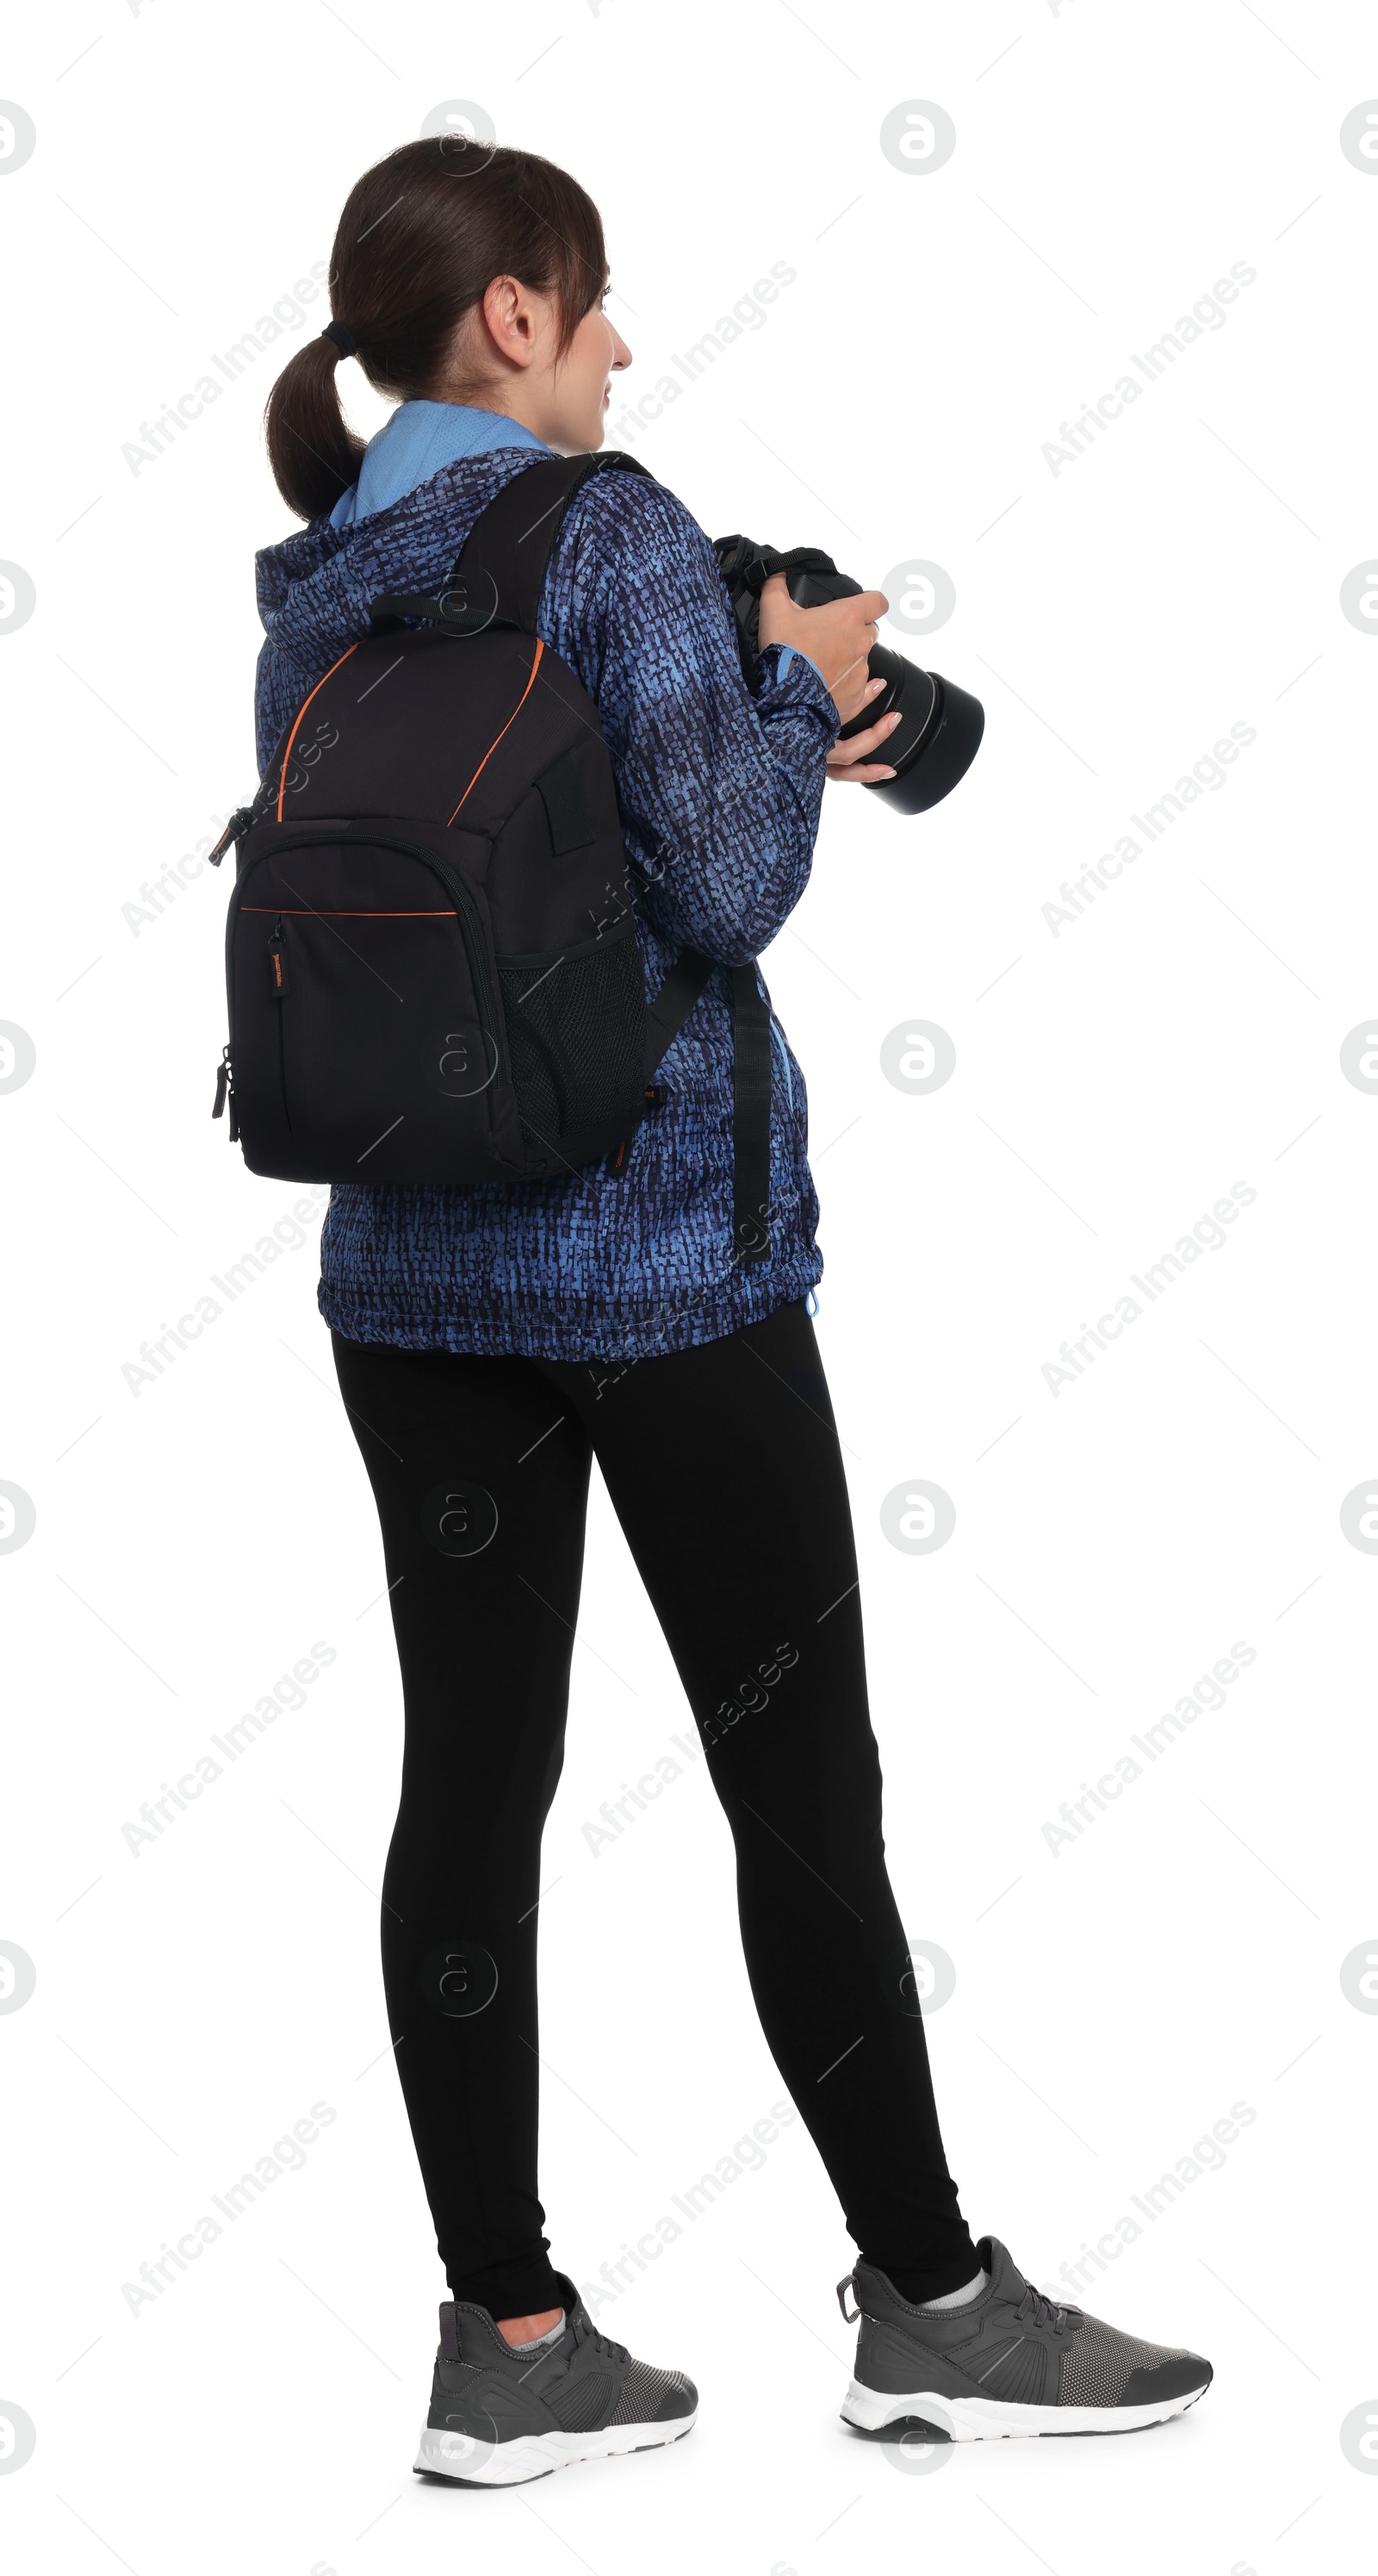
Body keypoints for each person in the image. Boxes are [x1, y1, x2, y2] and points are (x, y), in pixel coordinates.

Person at [253, 136, 1213, 2486]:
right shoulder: (618, 536)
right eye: (594, 307)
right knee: (799, 1785)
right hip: (665, 1268)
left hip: (408, 1271)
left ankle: (507, 2341)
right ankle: (935, 2306)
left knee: (469, 1791)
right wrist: (802, 679)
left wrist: (745, 662)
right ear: (511, 319)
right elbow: (733, 876)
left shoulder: (318, 573)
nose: (620, 346)